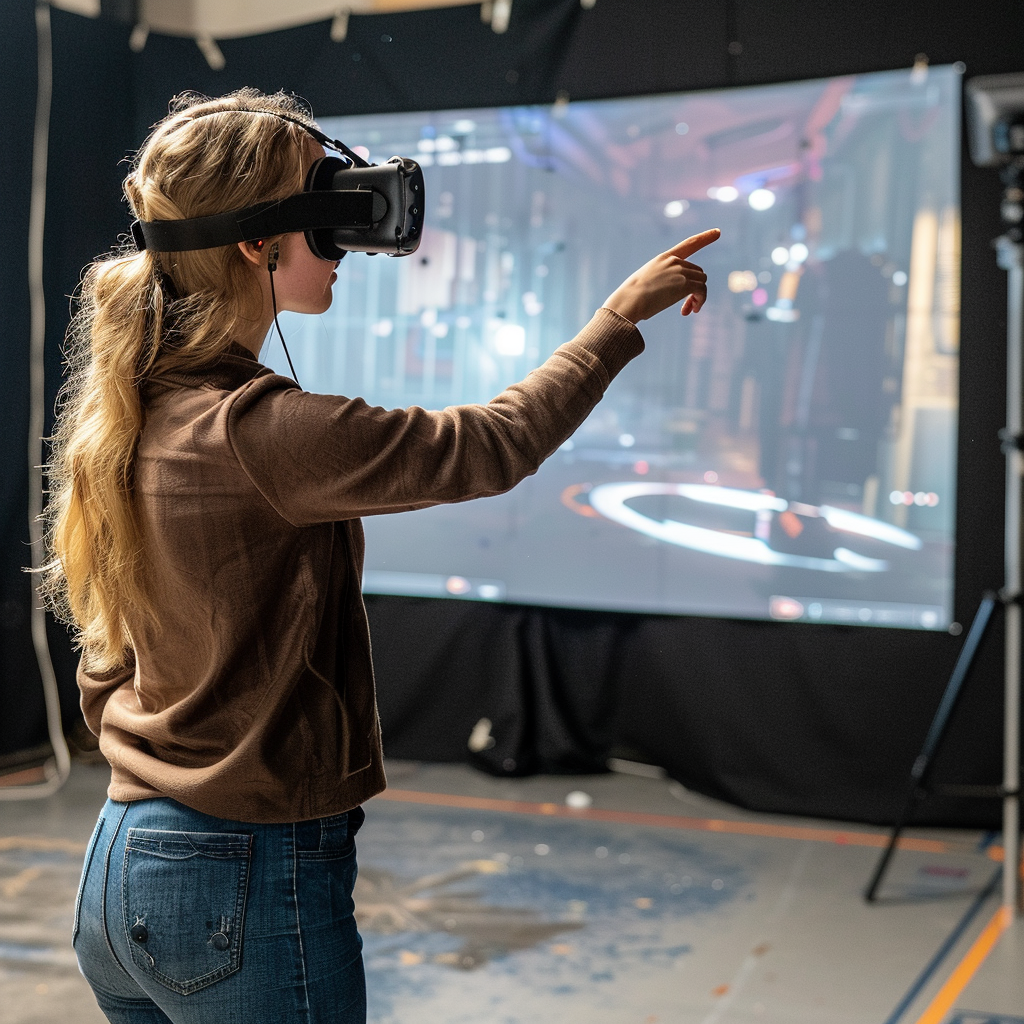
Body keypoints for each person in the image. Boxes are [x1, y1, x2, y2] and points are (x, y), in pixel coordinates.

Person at [41, 88, 719, 1024]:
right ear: (256, 244)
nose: (346, 247)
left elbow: (104, 652)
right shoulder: (257, 430)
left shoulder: (138, 411)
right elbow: (492, 445)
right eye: (326, 219)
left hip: (123, 866)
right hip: (247, 869)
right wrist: (615, 319)